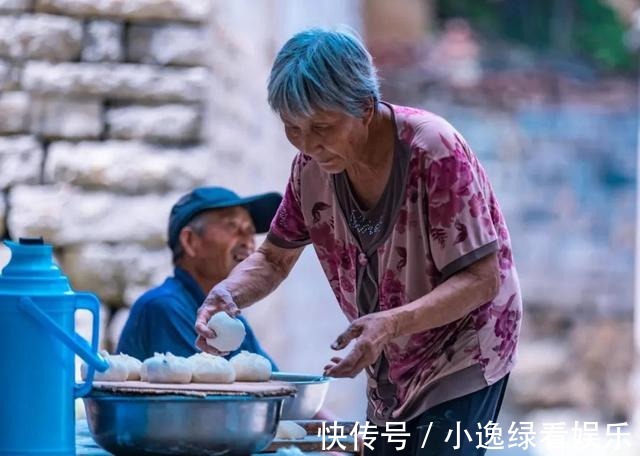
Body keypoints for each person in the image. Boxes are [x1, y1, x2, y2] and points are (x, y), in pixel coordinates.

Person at [195, 28, 522, 456]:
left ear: (365, 108)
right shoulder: (309, 170)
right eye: (293, 128)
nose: (309, 144)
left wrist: (390, 324)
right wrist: (227, 294)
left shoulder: (433, 150)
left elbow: (482, 280)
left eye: (323, 127)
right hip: (390, 358)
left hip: (462, 348)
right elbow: (274, 259)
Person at [117, 186, 281, 368]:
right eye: (232, 226)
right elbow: (207, 391)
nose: (247, 241)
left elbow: (275, 383)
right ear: (190, 241)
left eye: (250, 231)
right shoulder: (164, 307)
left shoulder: (227, 316)